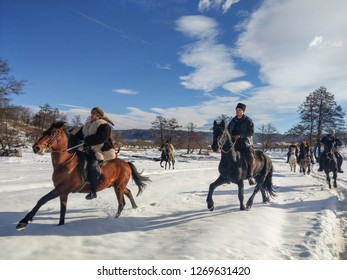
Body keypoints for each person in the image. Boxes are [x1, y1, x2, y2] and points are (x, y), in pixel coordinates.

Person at [75, 107, 116, 199]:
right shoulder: (87, 125)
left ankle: (93, 191)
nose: (91, 115)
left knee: (92, 166)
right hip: (88, 148)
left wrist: (87, 140)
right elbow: (79, 135)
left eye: (93, 114)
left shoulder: (104, 125)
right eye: (91, 113)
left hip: (101, 150)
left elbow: (101, 138)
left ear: (98, 115)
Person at [227, 103, 256, 185]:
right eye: (236, 110)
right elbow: (228, 130)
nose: (237, 111)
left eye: (239, 110)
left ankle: (250, 176)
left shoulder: (248, 120)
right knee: (228, 156)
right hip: (234, 143)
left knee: (250, 157)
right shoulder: (233, 121)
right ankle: (228, 175)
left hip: (245, 144)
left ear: (243, 111)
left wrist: (240, 135)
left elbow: (251, 132)